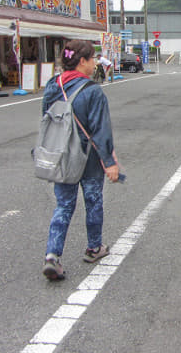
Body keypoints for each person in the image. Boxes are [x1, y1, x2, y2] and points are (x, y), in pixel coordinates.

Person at [41, 40, 120, 281]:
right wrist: (110, 162)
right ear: (82, 61)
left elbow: (47, 119)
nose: (95, 62)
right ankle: (94, 247)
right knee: (93, 200)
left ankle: (52, 255)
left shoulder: (52, 85)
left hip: (61, 154)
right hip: (88, 157)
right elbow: (100, 130)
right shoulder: (92, 90)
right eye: (93, 58)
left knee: (64, 205)